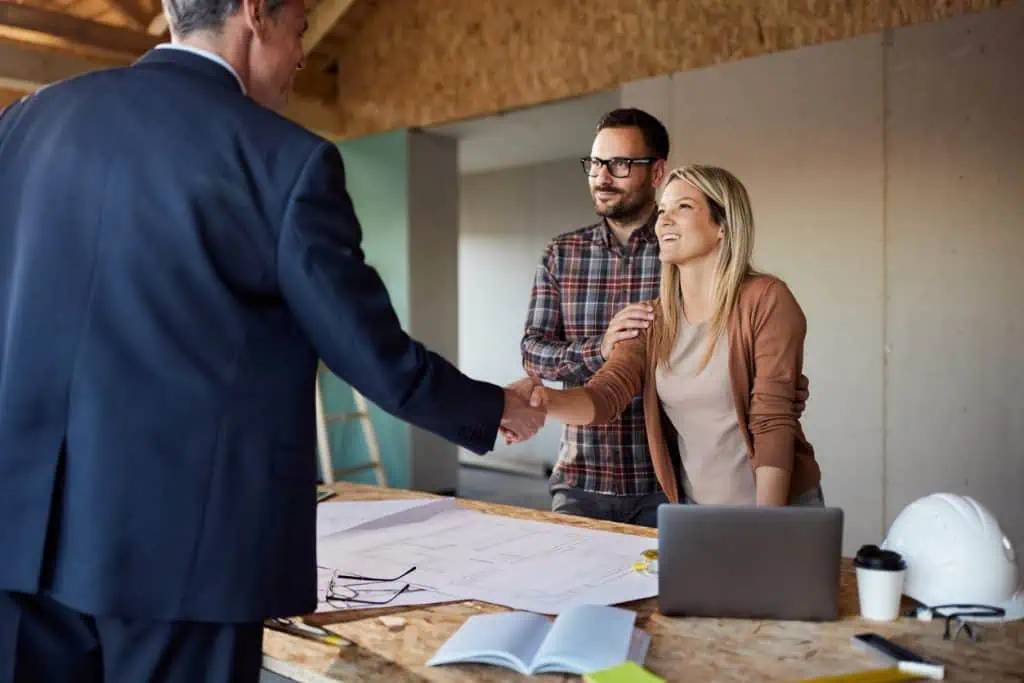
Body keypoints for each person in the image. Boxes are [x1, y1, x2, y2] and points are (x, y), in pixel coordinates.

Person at [0, 0, 543, 680]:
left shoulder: (24, 123)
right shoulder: (284, 160)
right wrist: (495, 407)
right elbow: (368, 349)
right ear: (257, 12)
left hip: (19, 538)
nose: (303, 56)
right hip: (181, 563)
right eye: (301, 29)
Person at [528, 164, 824, 508]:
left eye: (683, 207)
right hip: (696, 511)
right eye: (662, 210)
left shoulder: (766, 299)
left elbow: (772, 419)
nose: (663, 221)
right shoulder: (654, 319)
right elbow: (604, 397)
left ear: (723, 227)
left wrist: (764, 526)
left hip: (777, 506)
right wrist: (538, 400)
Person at [520, 108, 671, 527]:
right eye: (596, 163)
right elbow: (532, 353)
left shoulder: (683, 251)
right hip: (579, 481)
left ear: (657, 172)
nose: (602, 175)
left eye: (620, 164)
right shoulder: (561, 254)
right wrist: (598, 350)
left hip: (671, 485)